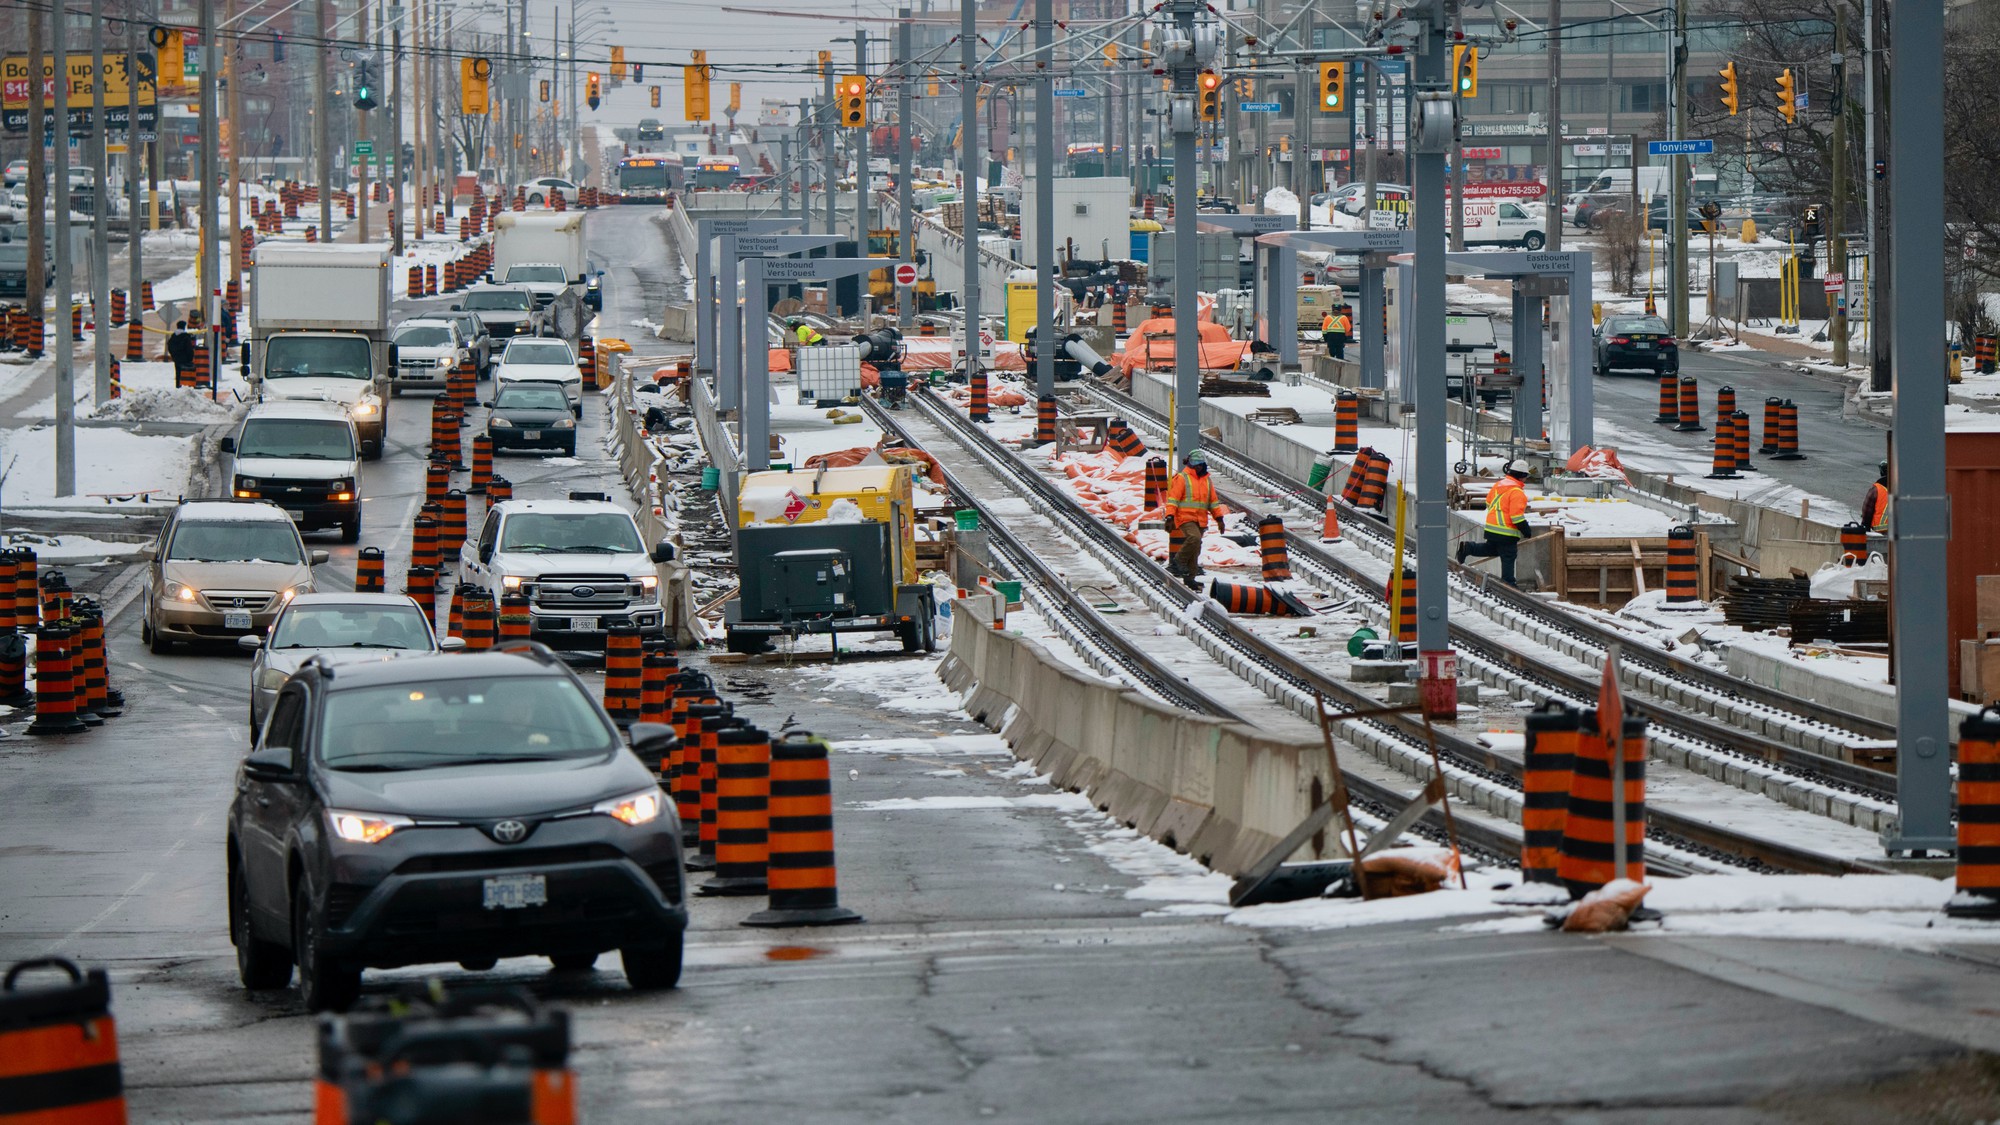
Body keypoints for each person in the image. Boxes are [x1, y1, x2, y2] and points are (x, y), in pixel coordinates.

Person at [1456, 459, 1533, 586]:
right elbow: (1516, 517)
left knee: (1492, 549)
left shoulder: (1499, 485)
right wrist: (1526, 530)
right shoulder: (1517, 492)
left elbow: (1488, 503)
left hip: (1492, 528)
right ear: (1523, 476)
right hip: (1506, 532)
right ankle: (1508, 583)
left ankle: (1468, 547)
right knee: (1508, 555)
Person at [1164, 450, 1222, 582]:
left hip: (1200, 520)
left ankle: (1190, 578)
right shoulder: (1182, 478)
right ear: (1190, 464)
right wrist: (1170, 516)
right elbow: (1173, 499)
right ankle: (1178, 560)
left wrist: (1219, 518)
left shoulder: (1207, 481)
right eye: (1196, 465)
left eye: (1200, 465)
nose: (1199, 467)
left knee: (1196, 549)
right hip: (1185, 518)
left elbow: (1213, 502)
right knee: (1194, 538)